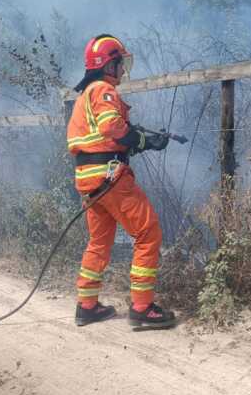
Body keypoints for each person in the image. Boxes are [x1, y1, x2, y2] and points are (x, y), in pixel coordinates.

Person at [66, 33, 176, 330]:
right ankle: (142, 308)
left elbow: (103, 137)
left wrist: (140, 140)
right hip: (110, 177)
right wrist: (141, 138)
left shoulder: (84, 96)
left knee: (99, 242)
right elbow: (111, 127)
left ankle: (86, 306)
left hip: (89, 181)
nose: (122, 70)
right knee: (147, 232)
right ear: (108, 64)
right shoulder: (103, 89)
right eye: (119, 63)